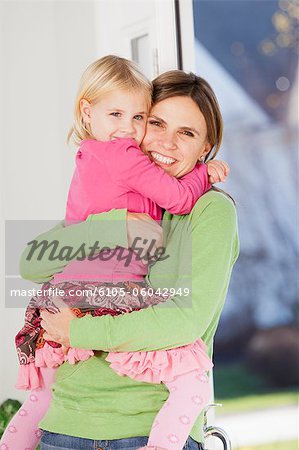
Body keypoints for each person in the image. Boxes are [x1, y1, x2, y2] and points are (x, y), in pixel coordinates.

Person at [1, 55, 228, 450]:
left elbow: (185, 322)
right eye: (156, 123)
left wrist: (77, 331)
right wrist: (114, 225)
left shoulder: (212, 211)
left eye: (187, 133)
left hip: (142, 425)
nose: (165, 141)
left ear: (207, 145)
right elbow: (30, 263)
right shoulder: (119, 196)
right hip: (67, 427)